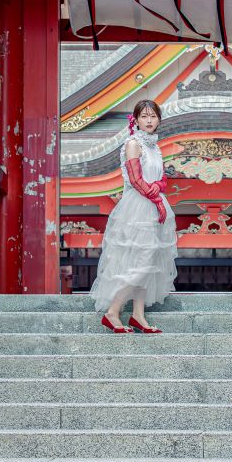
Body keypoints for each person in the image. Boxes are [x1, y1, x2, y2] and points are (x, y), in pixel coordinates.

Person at [90, 99, 177, 333]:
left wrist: (159, 189)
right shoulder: (133, 143)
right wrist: (157, 198)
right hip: (138, 207)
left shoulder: (155, 147)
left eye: (153, 116)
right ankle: (113, 310)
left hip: (153, 205)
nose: (149, 121)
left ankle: (138, 315)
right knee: (143, 261)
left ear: (158, 119)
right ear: (136, 120)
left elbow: (162, 179)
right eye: (144, 117)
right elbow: (136, 180)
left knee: (147, 263)